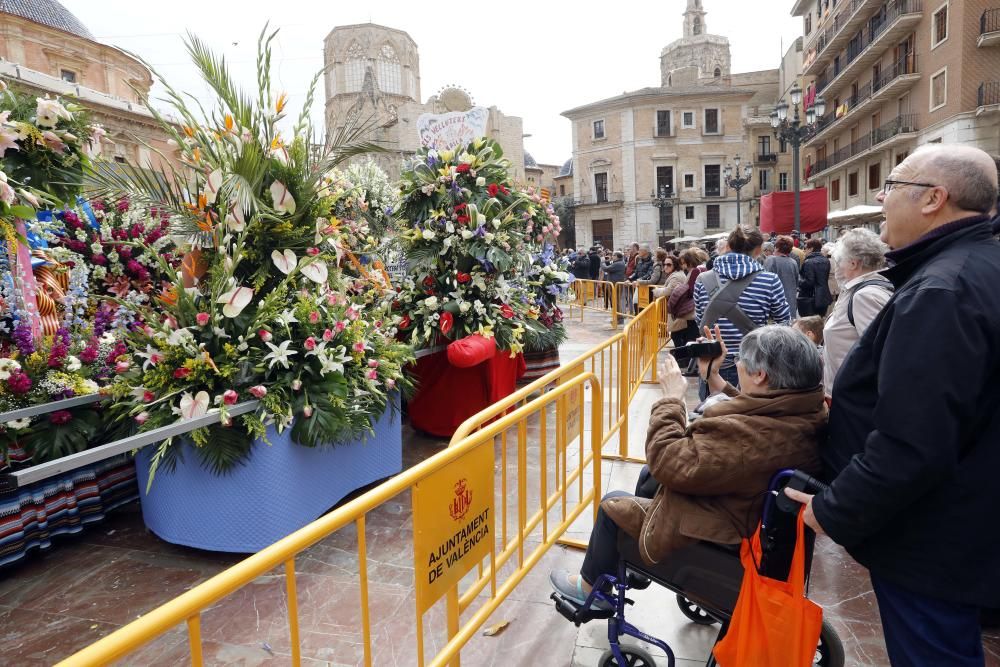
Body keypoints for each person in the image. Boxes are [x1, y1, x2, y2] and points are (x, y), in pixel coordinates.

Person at [785, 145, 1000, 667]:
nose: (882, 198)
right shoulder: (972, 268)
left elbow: (914, 440)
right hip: (967, 522)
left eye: (894, 186)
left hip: (934, 538)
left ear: (934, 199)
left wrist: (833, 510)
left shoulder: (941, 290)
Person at [549, 325, 826, 606]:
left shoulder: (751, 437)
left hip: (725, 532)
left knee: (612, 504)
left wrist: (671, 400)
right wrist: (715, 378)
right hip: (747, 513)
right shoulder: (806, 409)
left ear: (759, 375)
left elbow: (668, 461)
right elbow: (762, 407)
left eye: (741, 361)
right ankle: (632, 561)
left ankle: (590, 591)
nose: (737, 364)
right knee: (646, 478)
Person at [694, 226, 790, 393]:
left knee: (713, 416)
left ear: (729, 246)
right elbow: (784, 324)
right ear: (759, 249)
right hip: (753, 367)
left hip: (712, 363)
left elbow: (700, 320)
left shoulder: (702, 279)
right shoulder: (770, 281)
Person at [821, 228, 891, 399]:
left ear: (853, 264)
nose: (836, 267)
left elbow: (884, 357)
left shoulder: (865, 296)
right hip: (848, 393)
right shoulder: (858, 290)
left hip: (855, 398)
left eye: (838, 261)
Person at [666, 248, 708, 351]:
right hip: (699, 308)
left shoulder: (694, 271)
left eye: (684, 263)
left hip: (692, 310)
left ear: (689, 262)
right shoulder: (703, 268)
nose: (683, 266)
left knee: (690, 337)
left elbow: (691, 290)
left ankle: (689, 362)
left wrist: (680, 288)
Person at [764, 235, 800, 319]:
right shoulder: (793, 262)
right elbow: (796, 282)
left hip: (774, 304)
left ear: (776, 247)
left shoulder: (770, 260)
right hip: (790, 304)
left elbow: (765, 283)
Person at [797, 238, 833, 317]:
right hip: (824, 296)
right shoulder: (825, 260)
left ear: (811, 249)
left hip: (810, 297)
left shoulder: (809, 262)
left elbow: (809, 282)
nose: (804, 250)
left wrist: (798, 281)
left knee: (808, 323)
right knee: (819, 321)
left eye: (805, 248)